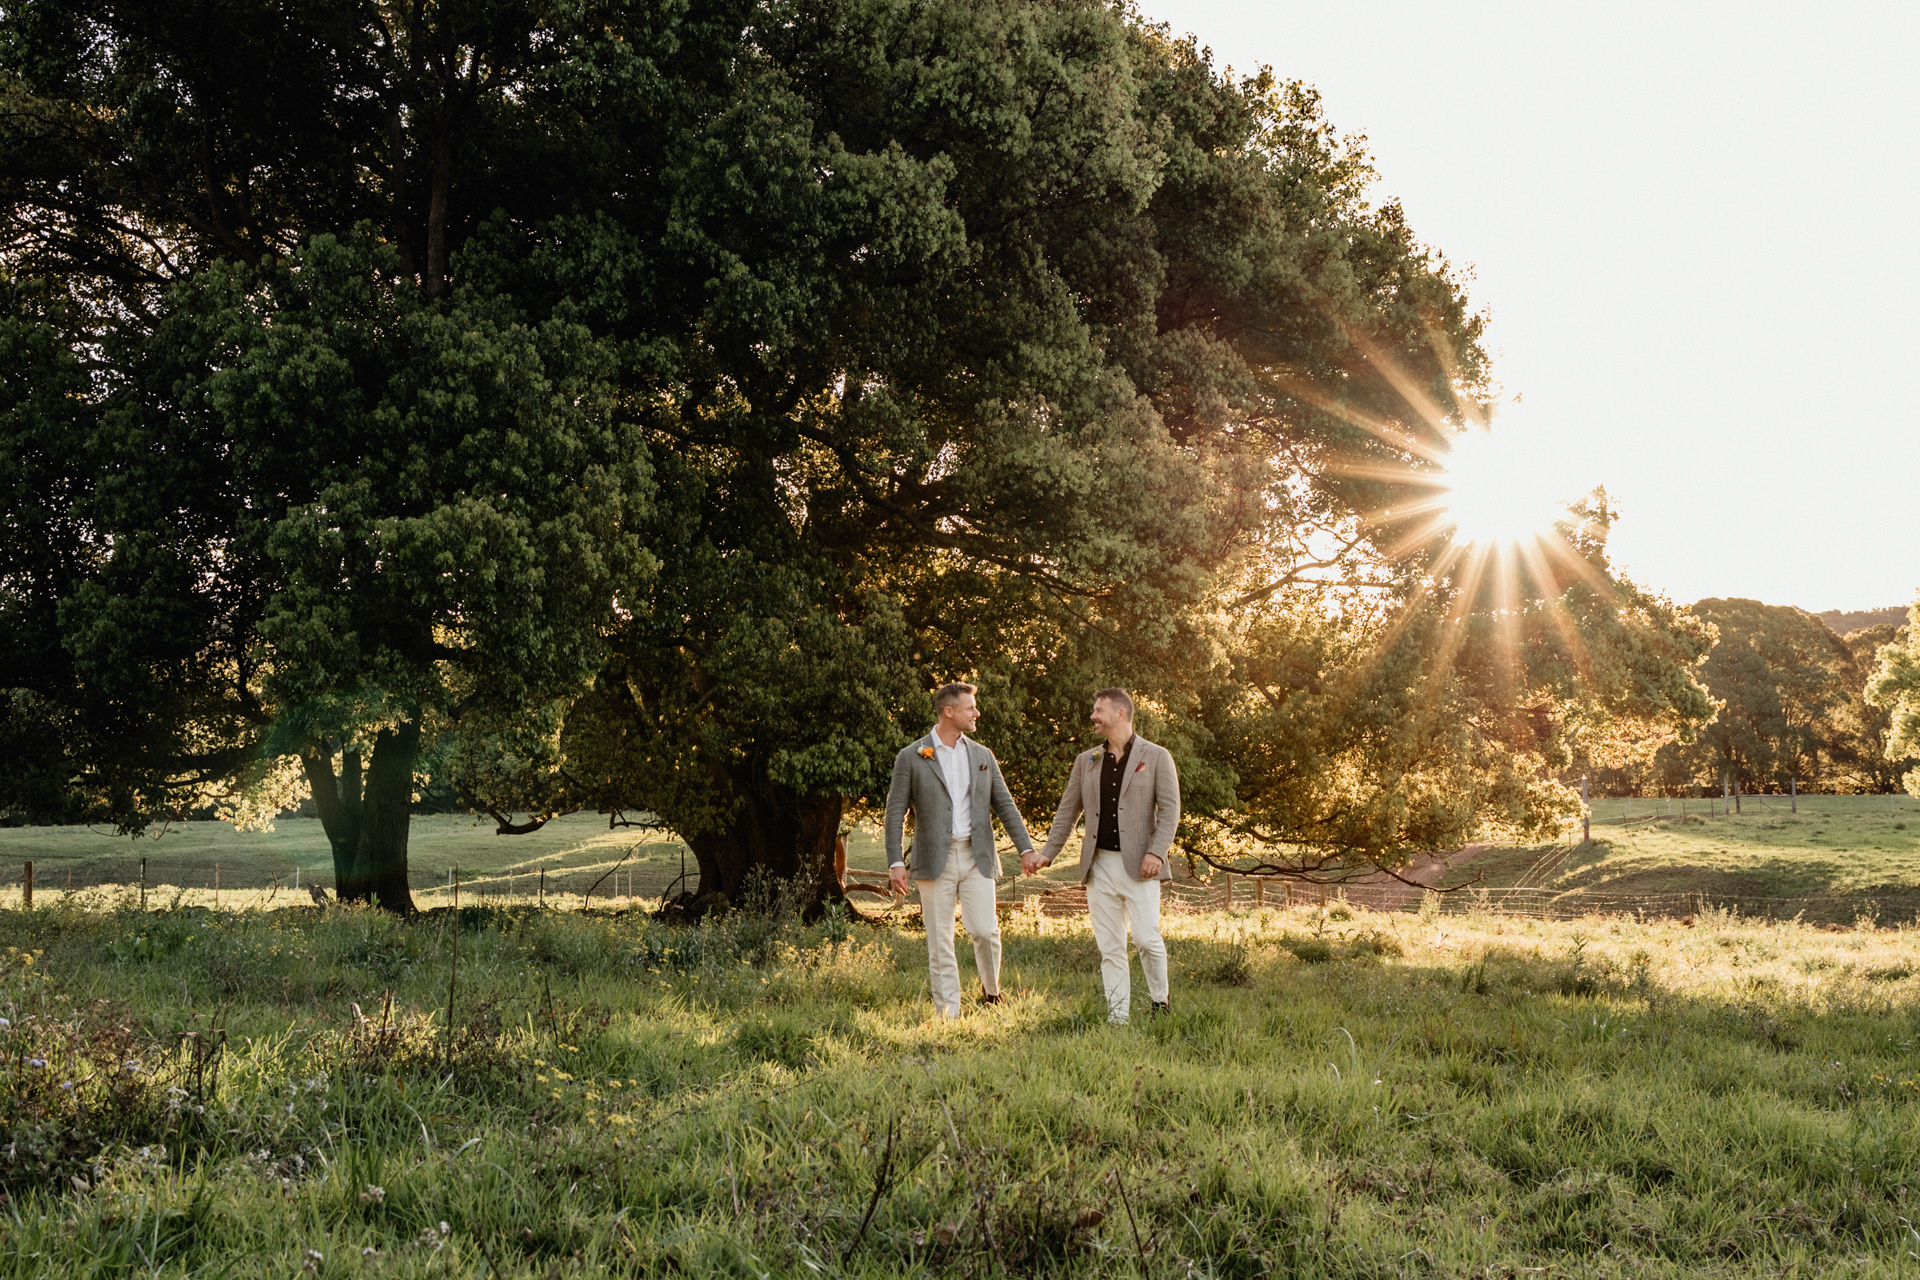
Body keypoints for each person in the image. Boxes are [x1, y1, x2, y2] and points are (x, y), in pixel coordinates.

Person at [1026, 687, 1180, 1024]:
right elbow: (1067, 811)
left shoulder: (1156, 757)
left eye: (1099, 711)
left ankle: (1160, 1002)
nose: (1093, 716)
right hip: (1098, 866)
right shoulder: (1086, 761)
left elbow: (1170, 812)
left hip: (1141, 866)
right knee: (1110, 947)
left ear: (1120, 713)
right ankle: (1117, 1018)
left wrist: (1156, 852)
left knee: (1145, 938)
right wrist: (1048, 853)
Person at [885, 682, 1037, 1017]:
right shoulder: (911, 756)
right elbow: (895, 811)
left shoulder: (982, 755)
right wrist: (896, 860)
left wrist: (1025, 849)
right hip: (933, 859)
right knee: (940, 941)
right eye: (971, 707)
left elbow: (1006, 806)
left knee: (985, 929)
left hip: (976, 855)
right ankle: (948, 1014)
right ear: (949, 712)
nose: (977, 713)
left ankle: (992, 991)